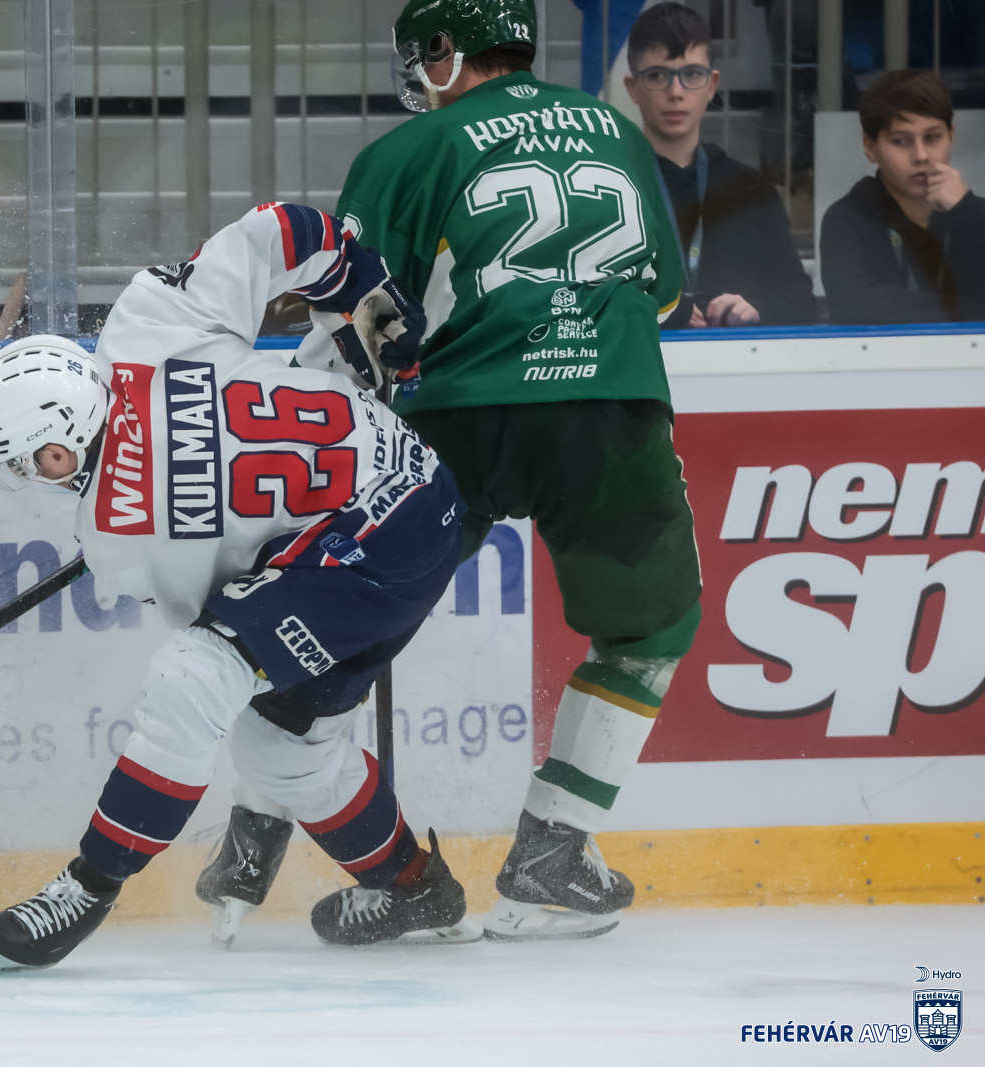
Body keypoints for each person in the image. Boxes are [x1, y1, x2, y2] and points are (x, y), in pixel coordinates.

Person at [204, 0, 703, 944]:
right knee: (649, 627)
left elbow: (353, 317)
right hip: (610, 410)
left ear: (445, 51)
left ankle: (252, 838)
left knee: (326, 622)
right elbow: (667, 294)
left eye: (419, 56)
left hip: (451, 422)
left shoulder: (409, 151)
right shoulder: (619, 133)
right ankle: (556, 843)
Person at [0, 202, 485, 974]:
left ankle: (89, 885)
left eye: (26, 463)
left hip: (377, 541)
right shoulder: (145, 321)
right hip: (403, 487)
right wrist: (364, 294)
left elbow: (212, 654)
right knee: (281, 749)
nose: (31, 478)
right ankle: (417, 888)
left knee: (193, 678)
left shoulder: (116, 538)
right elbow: (280, 230)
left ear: (58, 450)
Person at [622, 3, 815, 328]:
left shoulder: (750, 190)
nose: (676, 92)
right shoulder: (609, 187)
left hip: (734, 358)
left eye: (691, 74)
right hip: (642, 359)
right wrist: (660, 312)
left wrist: (758, 310)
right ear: (633, 88)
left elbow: (801, 304)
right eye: (657, 76)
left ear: (712, 85)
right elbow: (580, 304)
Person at [820, 69, 985, 325]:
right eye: (901, 141)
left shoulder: (976, 214)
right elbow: (855, 305)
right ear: (870, 147)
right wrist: (969, 308)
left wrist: (966, 213)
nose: (921, 156)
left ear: (951, 137)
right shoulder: (845, 219)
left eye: (932, 138)